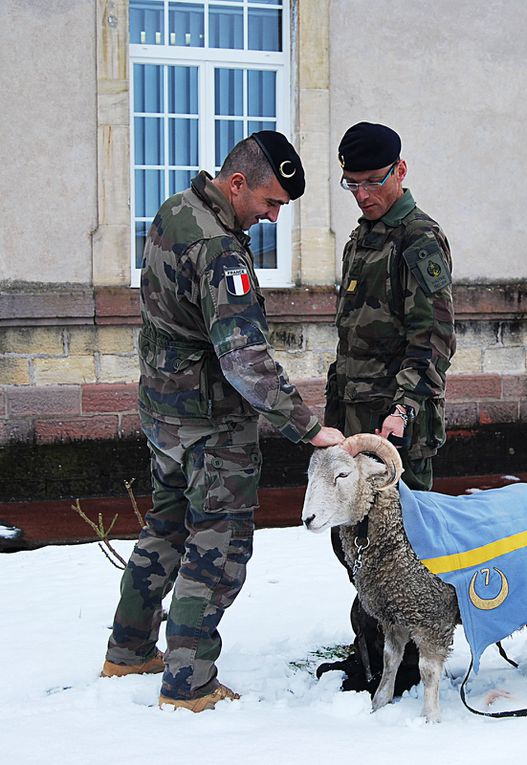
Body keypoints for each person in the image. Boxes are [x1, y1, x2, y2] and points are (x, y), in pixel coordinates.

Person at [100, 131, 345, 712]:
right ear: (237, 184)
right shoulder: (222, 251)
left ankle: (128, 650)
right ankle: (189, 684)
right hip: (211, 428)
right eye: (270, 202)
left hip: (163, 413)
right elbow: (245, 359)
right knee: (218, 550)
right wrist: (307, 427)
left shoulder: (174, 211)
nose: (272, 215)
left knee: (164, 528)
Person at [318, 121, 456, 696]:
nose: (364, 194)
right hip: (354, 421)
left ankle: (400, 664)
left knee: (397, 548)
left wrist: (401, 409)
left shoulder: (419, 240)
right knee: (352, 542)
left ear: (401, 171)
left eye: (373, 181)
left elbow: (433, 341)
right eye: (352, 184)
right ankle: (371, 650)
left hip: (396, 430)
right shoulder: (362, 237)